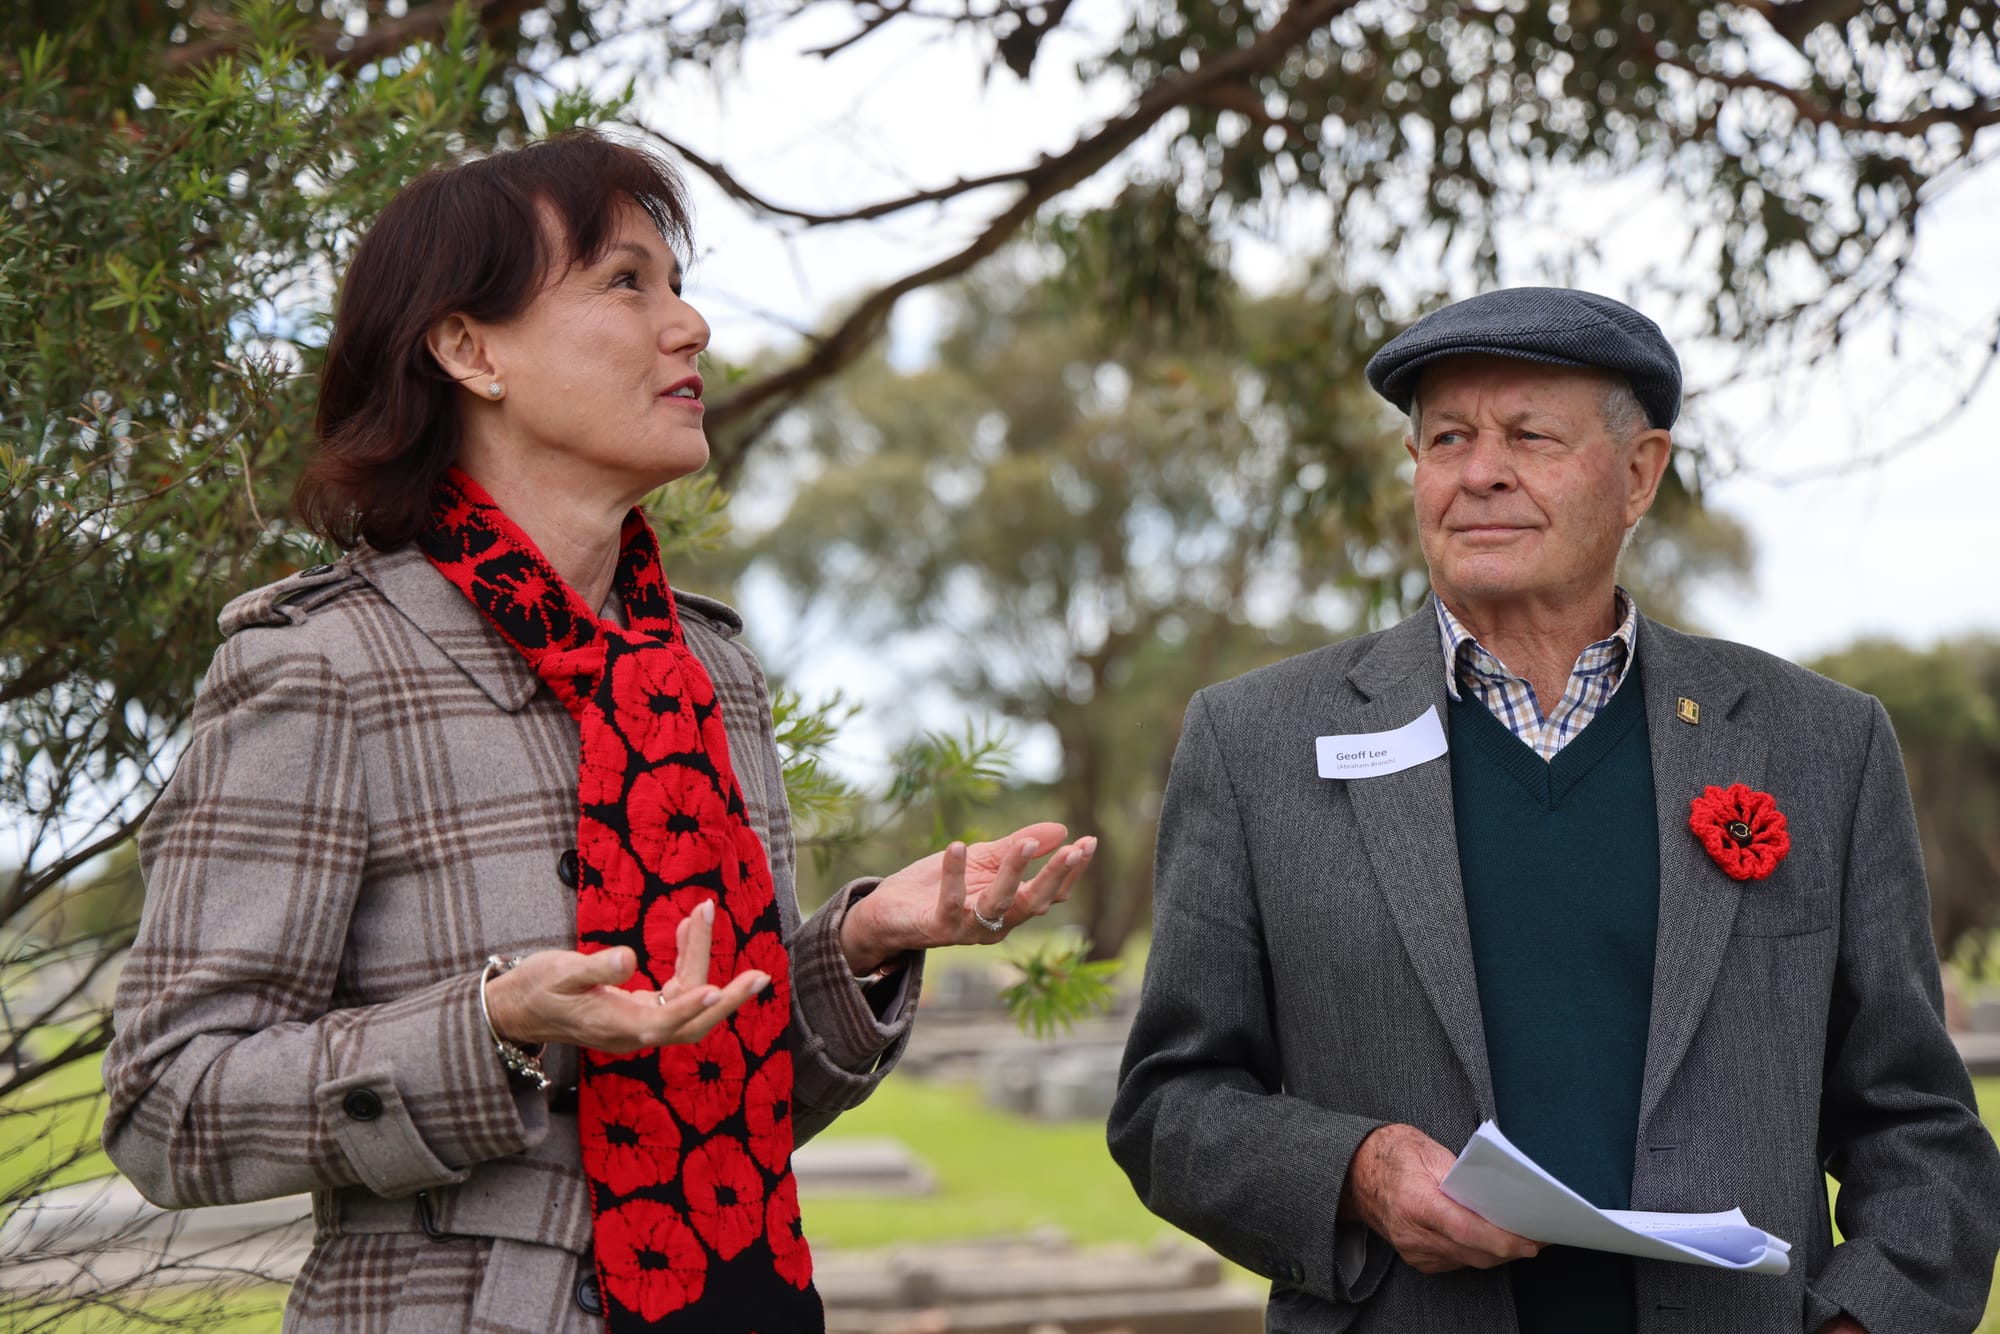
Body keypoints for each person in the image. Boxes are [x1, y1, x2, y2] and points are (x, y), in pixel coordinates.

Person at [100, 129, 1096, 1334]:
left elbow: (730, 1103)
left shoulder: (710, 670)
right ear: (468, 349)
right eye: (626, 282)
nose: (689, 327)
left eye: (675, 284)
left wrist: (861, 943)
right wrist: (492, 1026)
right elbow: (166, 1104)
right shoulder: (322, 666)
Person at [1107, 286, 2000, 1333]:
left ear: (1637, 474)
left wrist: (1860, 1321)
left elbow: (1917, 1123)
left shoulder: (1818, 744)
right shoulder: (1254, 744)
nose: (1479, 469)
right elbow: (1169, 1106)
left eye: (1528, 435)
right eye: (1446, 437)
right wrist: (1358, 1168)